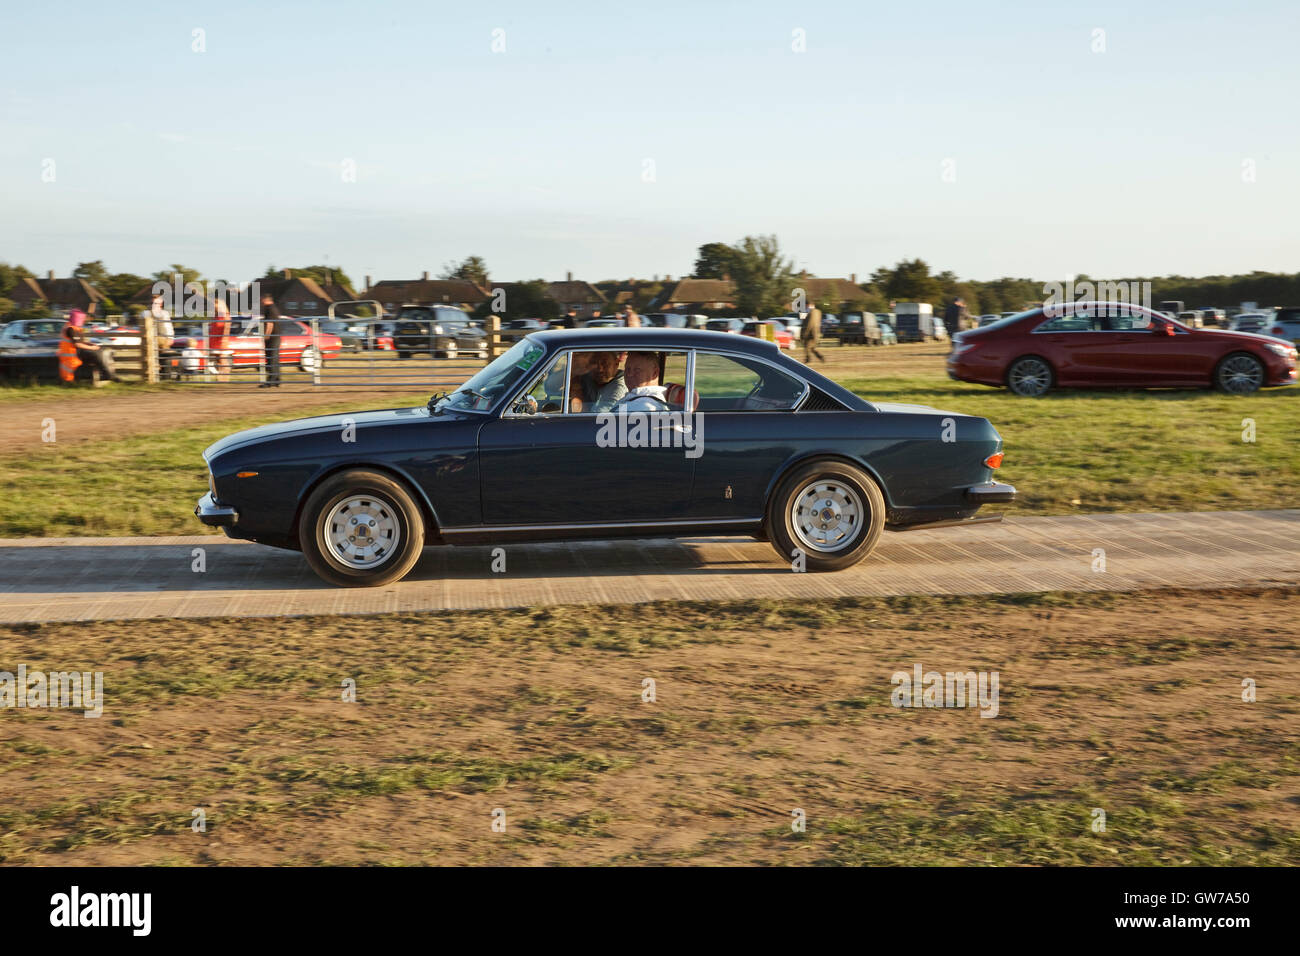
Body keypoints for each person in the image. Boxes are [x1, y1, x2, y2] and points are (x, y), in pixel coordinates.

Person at [260, 293, 283, 388]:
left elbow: (269, 324)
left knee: (271, 359)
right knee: (275, 359)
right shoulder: (274, 308)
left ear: (266, 300)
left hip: (272, 337)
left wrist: (266, 336)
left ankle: (271, 381)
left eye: (262, 300)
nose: (261, 302)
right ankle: (277, 379)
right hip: (276, 337)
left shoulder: (269, 308)